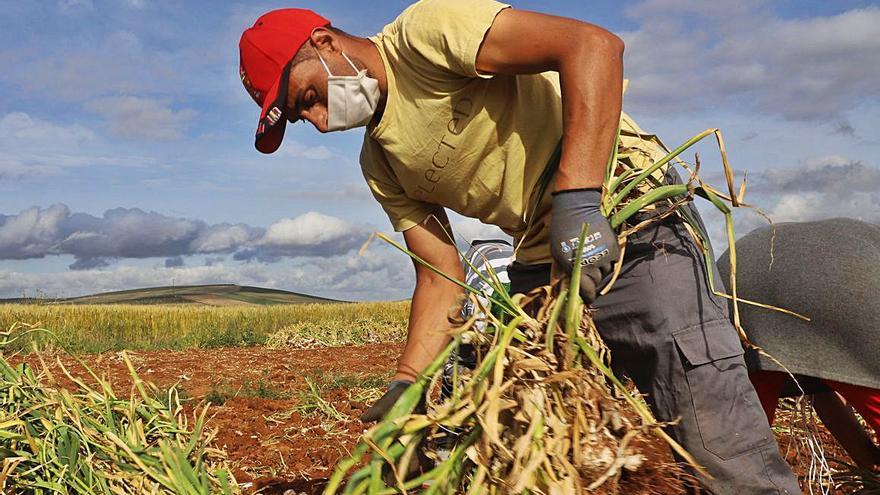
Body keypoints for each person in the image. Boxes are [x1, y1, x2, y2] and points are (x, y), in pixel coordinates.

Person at [237, 1, 800, 492]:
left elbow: (593, 46)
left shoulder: (424, 35)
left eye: (308, 95)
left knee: (702, 407)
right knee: (521, 421)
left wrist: (579, 199)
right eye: (301, 117)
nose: (317, 118)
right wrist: (408, 386)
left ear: (324, 42)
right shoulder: (380, 163)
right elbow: (439, 275)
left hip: (628, 213)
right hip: (540, 258)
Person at [718, 218, 880, 471]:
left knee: (740, 451)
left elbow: (821, 385)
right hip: (841, 280)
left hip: (738, 276)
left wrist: (869, 466)